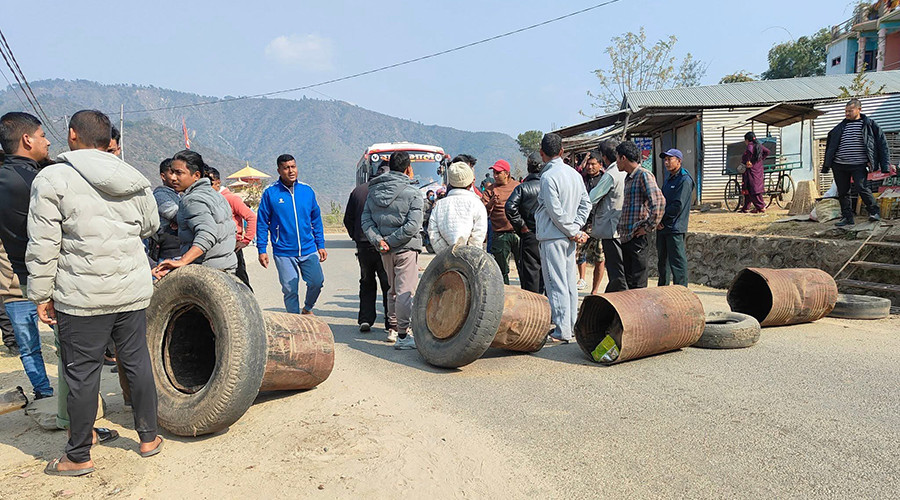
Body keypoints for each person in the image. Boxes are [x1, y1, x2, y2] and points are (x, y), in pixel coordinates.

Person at [27, 109, 161, 476]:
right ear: (108, 140)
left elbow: (43, 244)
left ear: (73, 134)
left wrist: (40, 294)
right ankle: (148, 438)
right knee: (136, 362)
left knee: (81, 374)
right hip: (131, 289)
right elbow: (150, 225)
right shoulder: (133, 176)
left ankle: (78, 455)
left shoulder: (52, 178)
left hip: (81, 296)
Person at [0, 111, 53, 399]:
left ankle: (43, 392)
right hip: (50, 277)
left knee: (28, 345)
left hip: (17, 279)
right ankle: (69, 408)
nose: (47, 142)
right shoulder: (40, 180)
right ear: (26, 139)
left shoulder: (4, 178)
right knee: (65, 344)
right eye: (43, 135)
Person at [361, 151, 423, 349]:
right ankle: (404, 336)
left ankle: (394, 329)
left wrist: (380, 241)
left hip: (384, 251)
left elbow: (366, 221)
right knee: (405, 292)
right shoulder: (413, 193)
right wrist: (392, 240)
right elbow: (413, 225)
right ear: (408, 169)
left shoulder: (374, 191)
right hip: (405, 248)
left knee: (393, 290)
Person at [535, 133, 591, 343]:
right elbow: (586, 204)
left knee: (556, 284)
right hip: (568, 236)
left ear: (542, 154)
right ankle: (571, 325)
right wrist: (576, 227)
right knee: (568, 283)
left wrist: (572, 230)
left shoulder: (548, 177)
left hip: (553, 236)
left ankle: (561, 330)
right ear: (562, 152)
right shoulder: (574, 175)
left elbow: (554, 211)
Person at [256, 154, 327, 315]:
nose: (291, 171)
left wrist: (320, 244)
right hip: (284, 251)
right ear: (279, 170)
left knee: (317, 281)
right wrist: (262, 249)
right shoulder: (270, 193)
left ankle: (308, 308)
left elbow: (316, 219)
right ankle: (295, 323)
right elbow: (262, 222)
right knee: (290, 290)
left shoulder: (307, 191)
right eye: (286, 168)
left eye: (293, 166)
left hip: (308, 249)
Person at [152, 150, 237, 278]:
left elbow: (207, 234)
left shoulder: (192, 200)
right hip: (226, 266)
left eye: (179, 173)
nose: (173, 178)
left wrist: (183, 260)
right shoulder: (216, 195)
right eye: (172, 172)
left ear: (196, 175)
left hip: (207, 270)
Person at [822, 98, 889, 226]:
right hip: (839, 165)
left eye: (850, 111)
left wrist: (884, 165)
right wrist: (827, 165)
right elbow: (830, 146)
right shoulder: (840, 127)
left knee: (862, 187)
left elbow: (882, 145)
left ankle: (874, 212)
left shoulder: (870, 125)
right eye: (845, 111)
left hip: (858, 164)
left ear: (859, 110)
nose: (847, 114)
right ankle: (847, 218)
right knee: (843, 192)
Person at [344, 168, 391, 333]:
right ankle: (389, 321)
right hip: (383, 244)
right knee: (387, 282)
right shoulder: (386, 190)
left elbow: (347, 219)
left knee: (366, 281)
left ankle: (365, 319)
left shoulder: (358, 191)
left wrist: (356, 236)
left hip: (363, 245)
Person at [616, 141, 666, 290]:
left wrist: (648, 227)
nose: (616, 163)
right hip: (627, 236)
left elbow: (659, 203)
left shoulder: (643, 175)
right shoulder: (629, 178)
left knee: (638, 281)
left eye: (617, 159)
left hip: (638, 236)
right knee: (629, 279)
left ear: (623, 158)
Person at [206, 167, 257, 290]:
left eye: (209, 184)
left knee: (240, 281)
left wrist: (245, 240)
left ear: (217, 183)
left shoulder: (231, 198)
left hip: (233, 246)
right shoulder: (210, 199)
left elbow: (251, 217)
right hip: (216, 247)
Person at [589, 139, 628, 292]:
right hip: (623, 226)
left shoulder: (611, 174)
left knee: (616, 271)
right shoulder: (626, 171)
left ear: (604, 157)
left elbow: (592, 197)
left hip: (611, 228)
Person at [428, 161, 488, 254]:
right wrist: (470, 253)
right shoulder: (477, 204)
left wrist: (445, 252)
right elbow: (479, 234)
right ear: (470, 183)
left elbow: (433, 232)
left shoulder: (439, 205)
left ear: (450, 183)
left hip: (445, 259)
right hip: (470, 257)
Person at [506, 152, 544, 294]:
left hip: (530, 236)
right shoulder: (550, 186)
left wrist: (522, 227)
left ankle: (534, 306)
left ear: (528, 167)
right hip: (549, 234)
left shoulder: (522, 188)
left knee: (531, 274)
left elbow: (510, 208)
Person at [656, 149, 693, 287]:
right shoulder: (669, 178)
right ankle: (663, 290)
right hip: (662, 227)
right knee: (662, 262)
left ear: (679, 160)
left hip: (674, 227)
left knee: (677, 262)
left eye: (669, 159)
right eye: (665, 159)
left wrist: (662, 220)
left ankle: (681, 291)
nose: (666, 162)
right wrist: (658, 220)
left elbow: (677, 206)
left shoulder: (684, 179)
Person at [482, 160, 520, 285]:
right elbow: (483, 211)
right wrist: (491, 202)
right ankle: (505, 296)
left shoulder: (517, 187)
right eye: (494, 173)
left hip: (518, 233)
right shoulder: (490, 190)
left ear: (507, 173)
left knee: (523, 267)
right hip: (500, 234)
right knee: (501, 270)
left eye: (498, 173)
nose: (495, 175)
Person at [575, 151, 606, 294]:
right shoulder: (581, 179)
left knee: (600, 257)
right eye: (588, 163)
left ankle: (595, 290)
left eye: (593, 164)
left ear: (600, 165)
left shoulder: (605, 179)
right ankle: (582, 278)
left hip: (599, 223)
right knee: (578, 253)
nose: (590, 166)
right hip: (583, 223)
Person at [150, 158, 181, 263]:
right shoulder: (161, 195)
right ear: (163, 176)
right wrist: (180, 220)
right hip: (170, 251)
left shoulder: (179, 195)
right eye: (172, 173)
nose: (176, 177)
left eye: (179, 173)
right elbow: (178, 216)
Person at [740, 131, 770, 214]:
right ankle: (746, 207)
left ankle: (761, 206)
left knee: (752, 189)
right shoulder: (759, 145)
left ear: (747, 140)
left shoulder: (750, 146)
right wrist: (760, 160)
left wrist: (749, 161)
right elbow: (767, 151)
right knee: (753, 189)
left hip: (751, 170)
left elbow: (749, 153)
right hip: (758, 169)